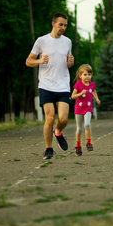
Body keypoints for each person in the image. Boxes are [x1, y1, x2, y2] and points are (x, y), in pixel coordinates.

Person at [26, 12, 74, 160]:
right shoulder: (41, 41)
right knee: (50, 117)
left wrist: (70, 63)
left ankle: (58, 132)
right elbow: (28, 61)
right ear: (53, 24)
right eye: (61, 24)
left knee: (64, 119)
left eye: (65, 25)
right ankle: (48, 149)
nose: (63, 28)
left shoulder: (68, 42)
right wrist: (39, 61)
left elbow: (67, 62)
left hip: (63, 85)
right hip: (46, 84)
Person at [71, 64, 101, 156]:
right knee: (79, 128)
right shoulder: (78, 84)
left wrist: (96, 98)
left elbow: (93, 90)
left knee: (87, 124)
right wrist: (80, 93)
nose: (87, 76)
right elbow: (72, 96)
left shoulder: (92, 84)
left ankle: (88, 143)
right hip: (79, 109)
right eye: (85, 74)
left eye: (89, 74)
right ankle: (78, 145)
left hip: (88, 108)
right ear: (80, 76)